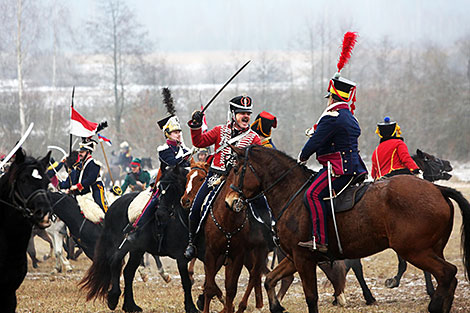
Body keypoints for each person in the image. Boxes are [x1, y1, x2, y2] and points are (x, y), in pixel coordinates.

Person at [297, 71, 368, 253]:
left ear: (333, 96)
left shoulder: (332, 117)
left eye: (329, 97)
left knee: (312, 195)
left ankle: (320, 240)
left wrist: (303, 157)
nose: (327, 101)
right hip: (355, 167)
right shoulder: (351, 117)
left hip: (338, 168)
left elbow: (316, 142)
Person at [184, 95, 261, 259]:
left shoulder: (254, 138)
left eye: (248, 113)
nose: (246, 116)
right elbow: (199, 142)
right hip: (214, 177)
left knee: (259, 210)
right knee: (196, 208)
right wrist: (196, 125)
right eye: (241, 113)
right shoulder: (220, 131)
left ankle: (264, 239)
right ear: (233, 114)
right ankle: (193, 242)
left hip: (238, 183)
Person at [126, 115, 191, 244]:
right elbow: (173, 164)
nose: (178, 135)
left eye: (179, 132)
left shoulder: (184, 149)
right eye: (175, 132)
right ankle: (137, 230)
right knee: (154, 201)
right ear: (167, 134)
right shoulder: (164, 150)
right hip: (166, 184)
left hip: (181, 184)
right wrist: (187, 155)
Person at [59, 138, 108, 213]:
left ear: (88, 152)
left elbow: (90, 179)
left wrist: (77, 186)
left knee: (100, 206)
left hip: (95, 188)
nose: (80, 154)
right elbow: (76, 178)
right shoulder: (80, 165)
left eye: (82, 152)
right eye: (80, 152)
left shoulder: (94, 164)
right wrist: (72, 188)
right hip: (84, 190)